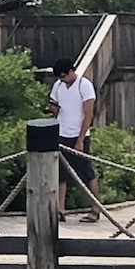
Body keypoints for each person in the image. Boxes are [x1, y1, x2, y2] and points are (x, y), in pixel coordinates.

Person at [48, 57, 101, 223]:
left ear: (71, 71)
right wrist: (53, 109)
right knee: (60, 173)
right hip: (61, 133)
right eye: (59, 78)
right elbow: (54, 105)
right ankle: (60, 209)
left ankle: (95, 208)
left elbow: (89, 114)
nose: (62, 80)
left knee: (86, 172)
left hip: (79, 135)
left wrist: (80, 140)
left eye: (64, 76)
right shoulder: (58, 86)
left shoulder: (84, 85)